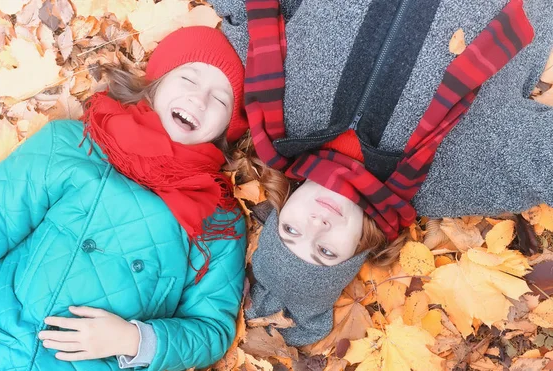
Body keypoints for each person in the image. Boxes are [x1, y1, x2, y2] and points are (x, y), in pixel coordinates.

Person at [209, 0, 553, 346]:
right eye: (326, 251)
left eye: (291, 230)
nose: (316, 225)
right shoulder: (447, 183)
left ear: (282, 208)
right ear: (360, 248)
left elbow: (250, 14)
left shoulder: (276, 116)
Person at [0, 26, 249, 370]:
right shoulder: (71, 145)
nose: (199, 99)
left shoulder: (218, 221)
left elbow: (210, 328)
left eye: (220, 99)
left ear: (229, 126)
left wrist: (135, 340)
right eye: (189, 79)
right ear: (157, 82)